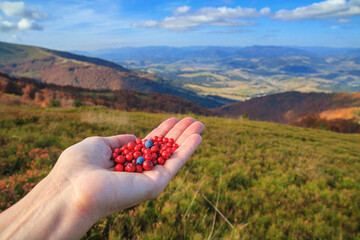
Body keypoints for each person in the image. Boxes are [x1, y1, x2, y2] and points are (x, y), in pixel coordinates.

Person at [0, 117, 204, 239]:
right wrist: (66, 189)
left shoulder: (142, 155)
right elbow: (137, 157)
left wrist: (66, 194)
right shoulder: (130, 156)